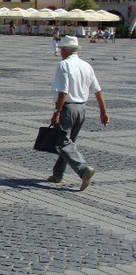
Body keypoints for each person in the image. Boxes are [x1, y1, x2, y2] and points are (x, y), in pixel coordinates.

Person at [47, 36, 109, 191]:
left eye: (61, 49)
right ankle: (58, 174)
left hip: (68, 109)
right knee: (69, 143)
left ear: (64, 50)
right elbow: (98, 90)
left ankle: (83, 170)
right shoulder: (86, 66)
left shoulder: (64, 65)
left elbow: (63, 92)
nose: (60, 52)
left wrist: (57, 112)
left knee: (62, 142)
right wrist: (103, 112)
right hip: (82, 109)